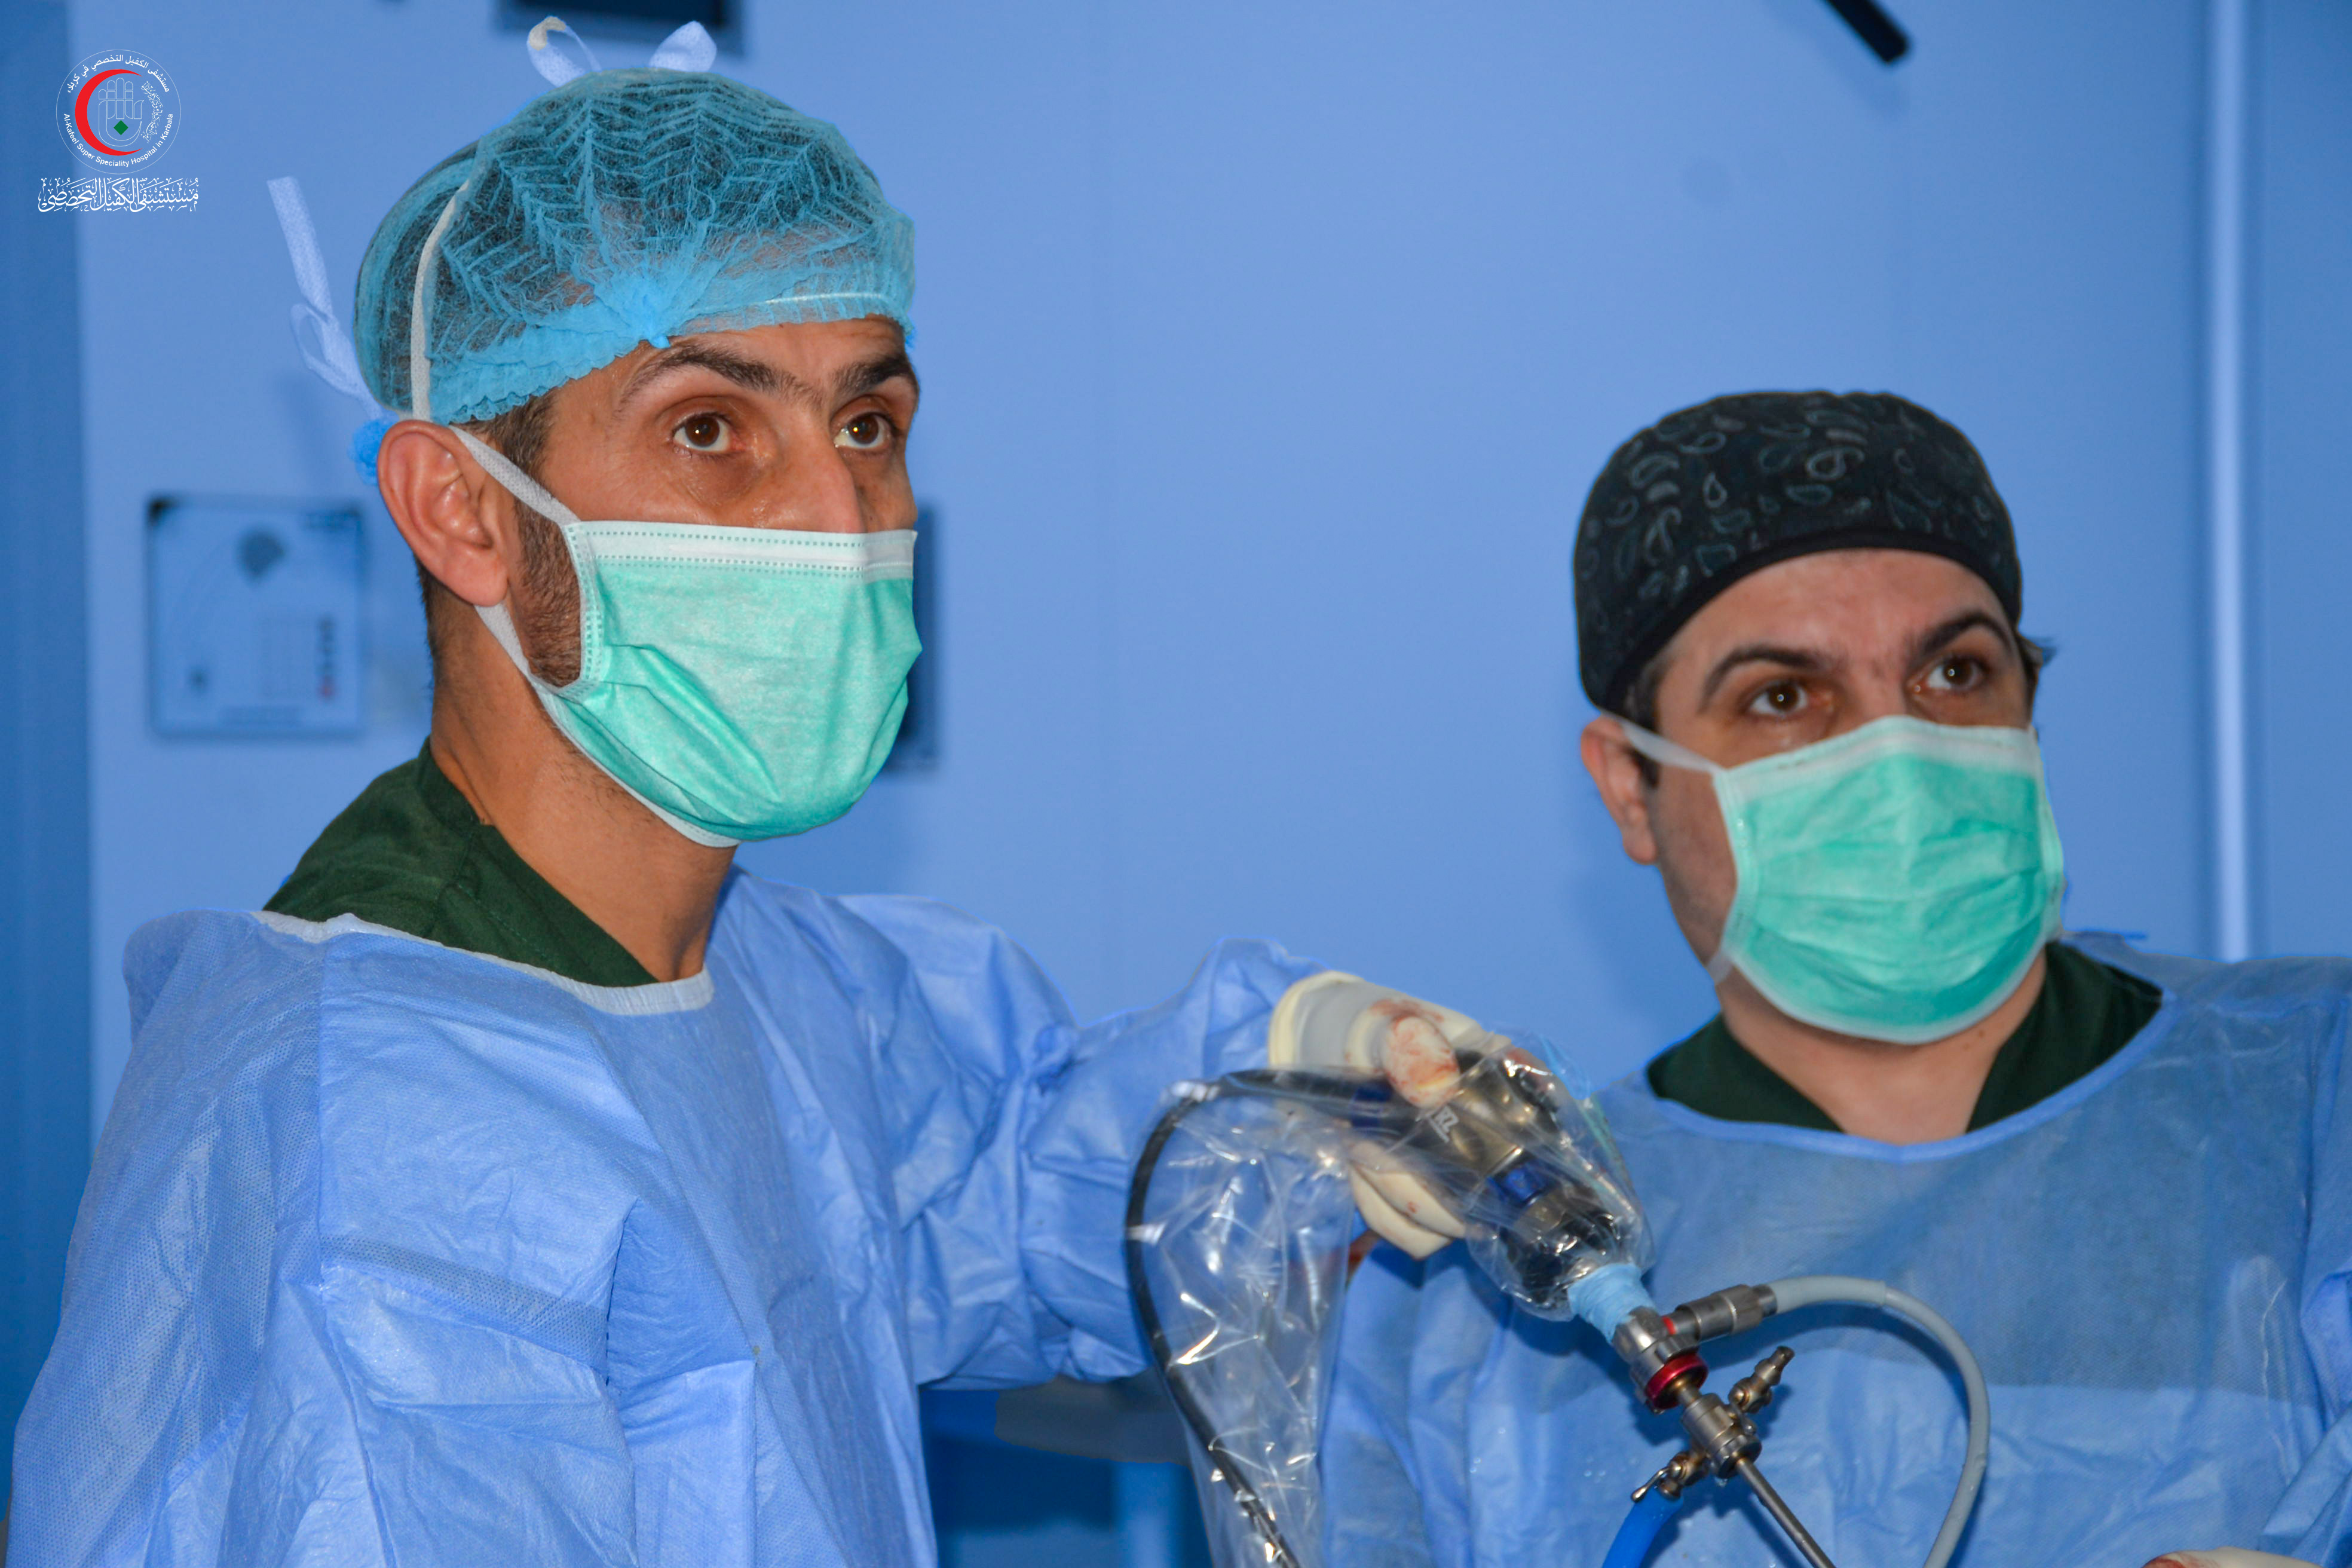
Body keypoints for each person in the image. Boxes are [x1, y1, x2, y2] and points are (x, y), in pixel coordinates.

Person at [5, 30, 1492, 1567]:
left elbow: (979, 1197)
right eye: (710, 429)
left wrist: (1284, 1087)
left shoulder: (762, 978)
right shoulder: (377, 1147)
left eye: (867, 425)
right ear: (461, 510)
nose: (837, 514)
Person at [1317, 391, 2352, 1568]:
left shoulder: (2317, 1092)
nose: (1896, 752)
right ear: (1628, 787)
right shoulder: (1499, 1266)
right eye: (1782, 695)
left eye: (1955, 672)